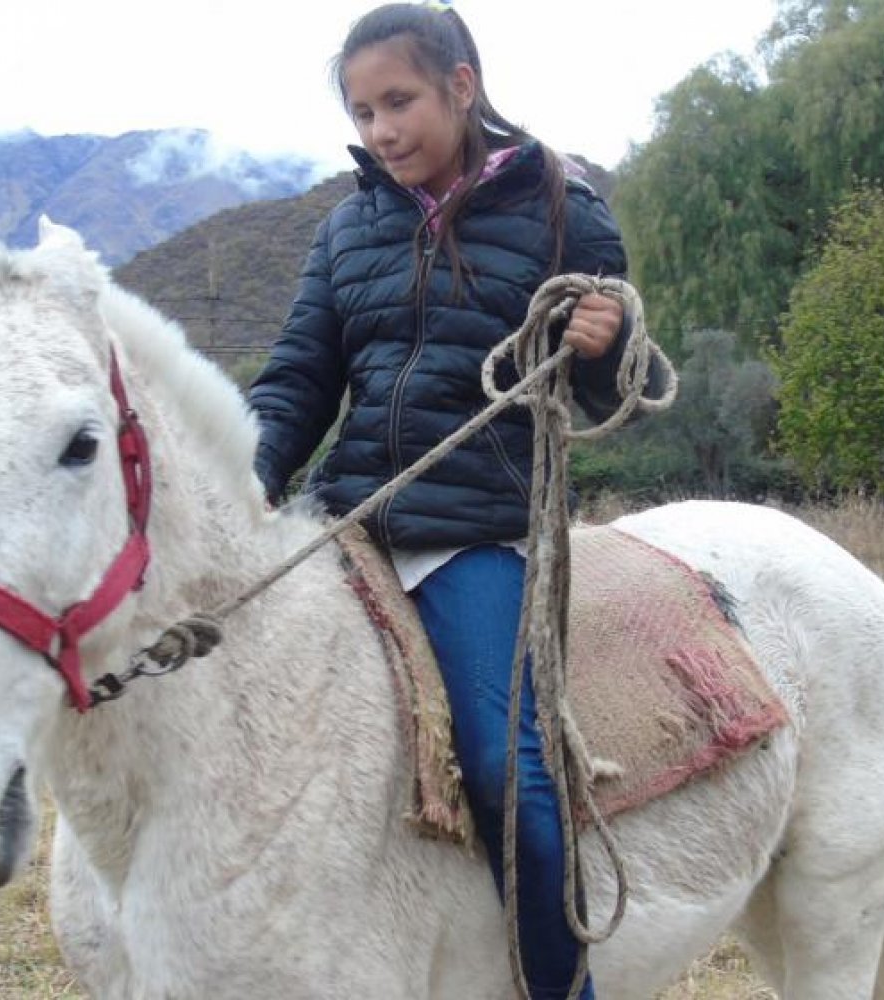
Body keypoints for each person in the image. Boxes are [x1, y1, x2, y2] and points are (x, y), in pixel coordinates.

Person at [247, 4, 665, 996]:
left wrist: (605, 349)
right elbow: (298, 381)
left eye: (399, 101)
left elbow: (617, 396)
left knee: (505, 770)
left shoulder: (566, 210)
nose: (381, 129)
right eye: (362, 109)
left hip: (474, 533)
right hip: (342, 519)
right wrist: (247, 491)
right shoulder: (349, 225)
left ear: (461, 87)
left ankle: (564, 987)